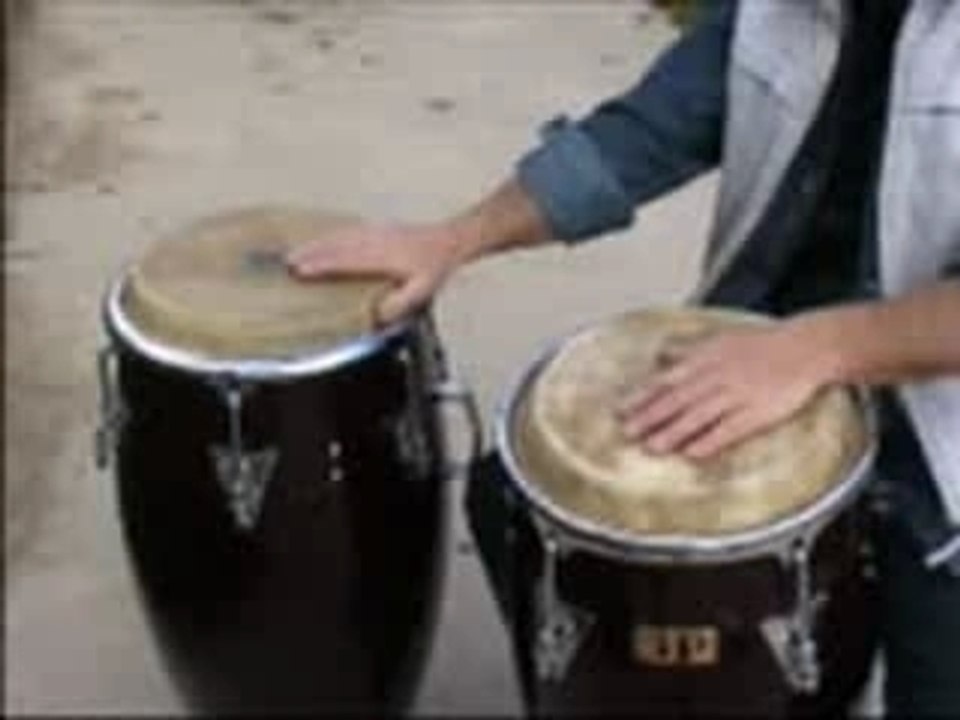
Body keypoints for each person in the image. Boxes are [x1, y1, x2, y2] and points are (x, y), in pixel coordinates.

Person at [287, 0, 960, 713]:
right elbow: (646, 134)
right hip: (763, 347)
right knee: (527, 517)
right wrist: (450, 240)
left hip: (941, 436)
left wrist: (815, 350)